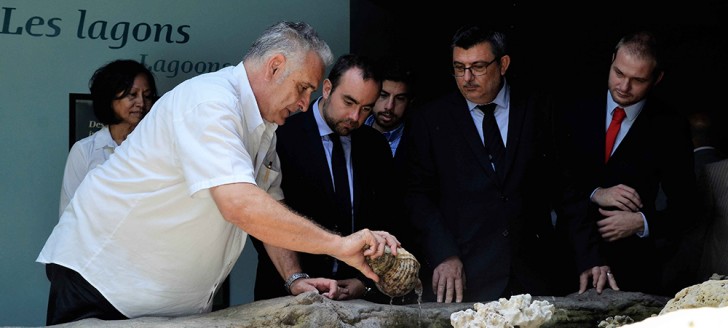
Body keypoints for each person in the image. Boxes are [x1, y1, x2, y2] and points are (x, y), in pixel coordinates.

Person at [36, 21, 400, 325]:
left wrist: (295, 278)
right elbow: (240, 205)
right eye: (303, 87)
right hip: (101, 285)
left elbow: (269, 206)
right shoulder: (209, 102)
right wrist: (340, 245)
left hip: (166, 305)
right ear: (274, 67)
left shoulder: (263, 128)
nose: (306, 103)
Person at [404, 25, 612, 303]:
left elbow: (567, 189)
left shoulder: (539, 109)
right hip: (465, 279)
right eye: (458, 67)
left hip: (534, 275)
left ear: (503, 64)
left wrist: (590, 257)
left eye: (477, 66)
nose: (467, 78)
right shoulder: (430, 120)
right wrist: (444, 253)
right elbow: (417, 196)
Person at [555, 30, 697, 296]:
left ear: (657, 79)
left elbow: (688, 207)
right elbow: (550, 179)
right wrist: (596, 193)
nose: (624, 86)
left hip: (632, 268)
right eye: (619, 73)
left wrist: (641, 223)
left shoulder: (670, 126)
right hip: (568, 258)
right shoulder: (573, 106)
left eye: (638, 80)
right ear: (611, 61)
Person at [252, 53, 401, 304]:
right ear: (328, 88)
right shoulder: (282, 135)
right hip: (286, 292)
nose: (355, 116)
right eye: (349, 102)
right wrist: (295, 279)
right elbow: (262, 219)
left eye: (366, 108)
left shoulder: (376, 146)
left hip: (355, 296)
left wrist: (365, 282)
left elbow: (387, 219)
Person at [59, 59, 158, 216]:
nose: (141, 103)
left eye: (147, 96)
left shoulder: (158, 146)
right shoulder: (85, 150)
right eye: (132, 95)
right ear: (109, 98)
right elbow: (69, 214)